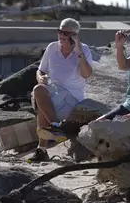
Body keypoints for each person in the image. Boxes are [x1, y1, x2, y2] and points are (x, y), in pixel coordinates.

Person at [28, 18, 94, 163]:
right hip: (54, 92)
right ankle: (55, 127)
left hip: (72, 99)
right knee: (39, 89)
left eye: (65, 33)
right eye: (59, 31)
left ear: (74, 36)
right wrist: (41, 78)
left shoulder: (84, 49)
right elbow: (40, 70)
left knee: (42, 101)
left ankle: (42, 148)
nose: (61, 36)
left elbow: (87, 75)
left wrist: (79, 52)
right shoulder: (52, 48)